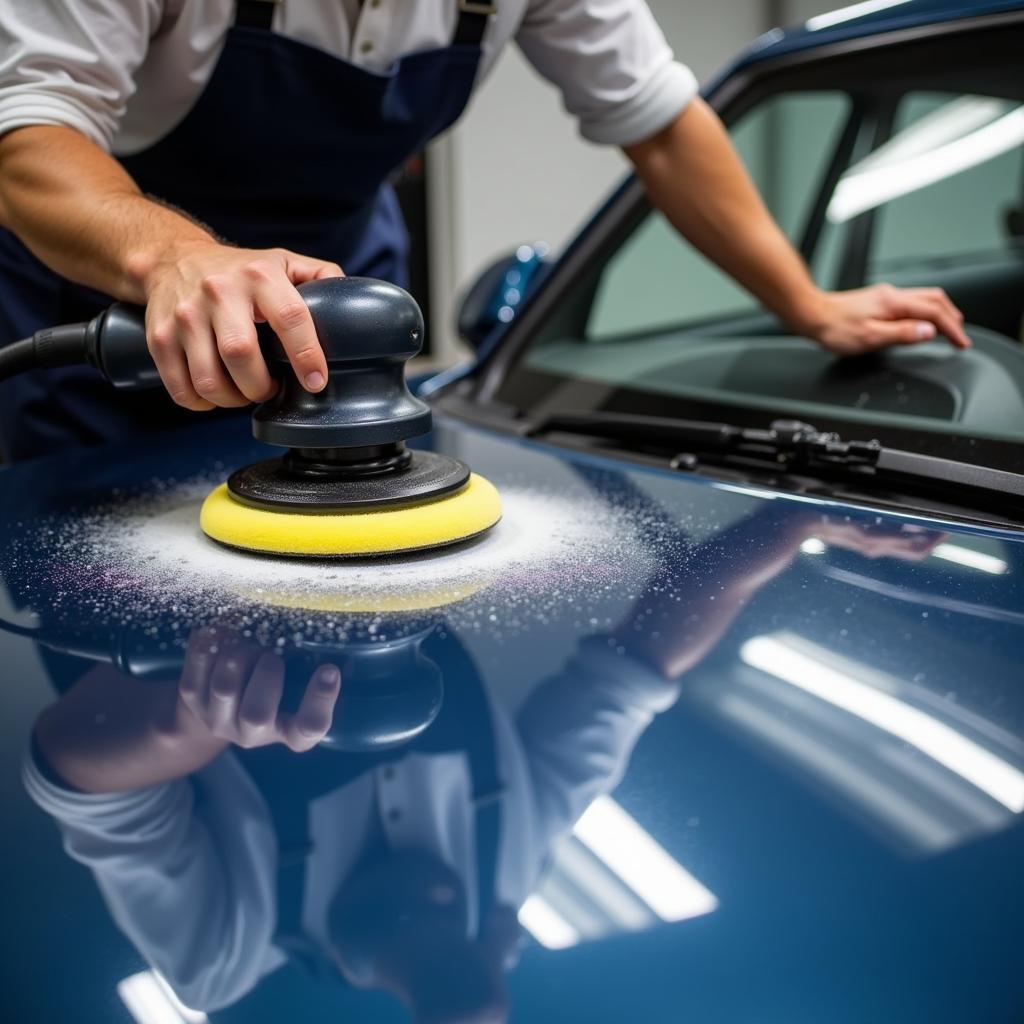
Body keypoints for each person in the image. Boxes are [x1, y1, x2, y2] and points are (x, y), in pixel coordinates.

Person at [24, 505, 943, 1020]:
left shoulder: (221, 959)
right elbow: (643, 659)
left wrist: (192, 723)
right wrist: (794, 525)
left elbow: (76, 775)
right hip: (306, 491)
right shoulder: (519, 848)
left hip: (90, 517)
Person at [0, 0, 970, 462]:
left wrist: (806, 305)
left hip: (333, 272)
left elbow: (662, 124)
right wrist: (177, 258)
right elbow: (31, 133)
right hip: (104, 288)